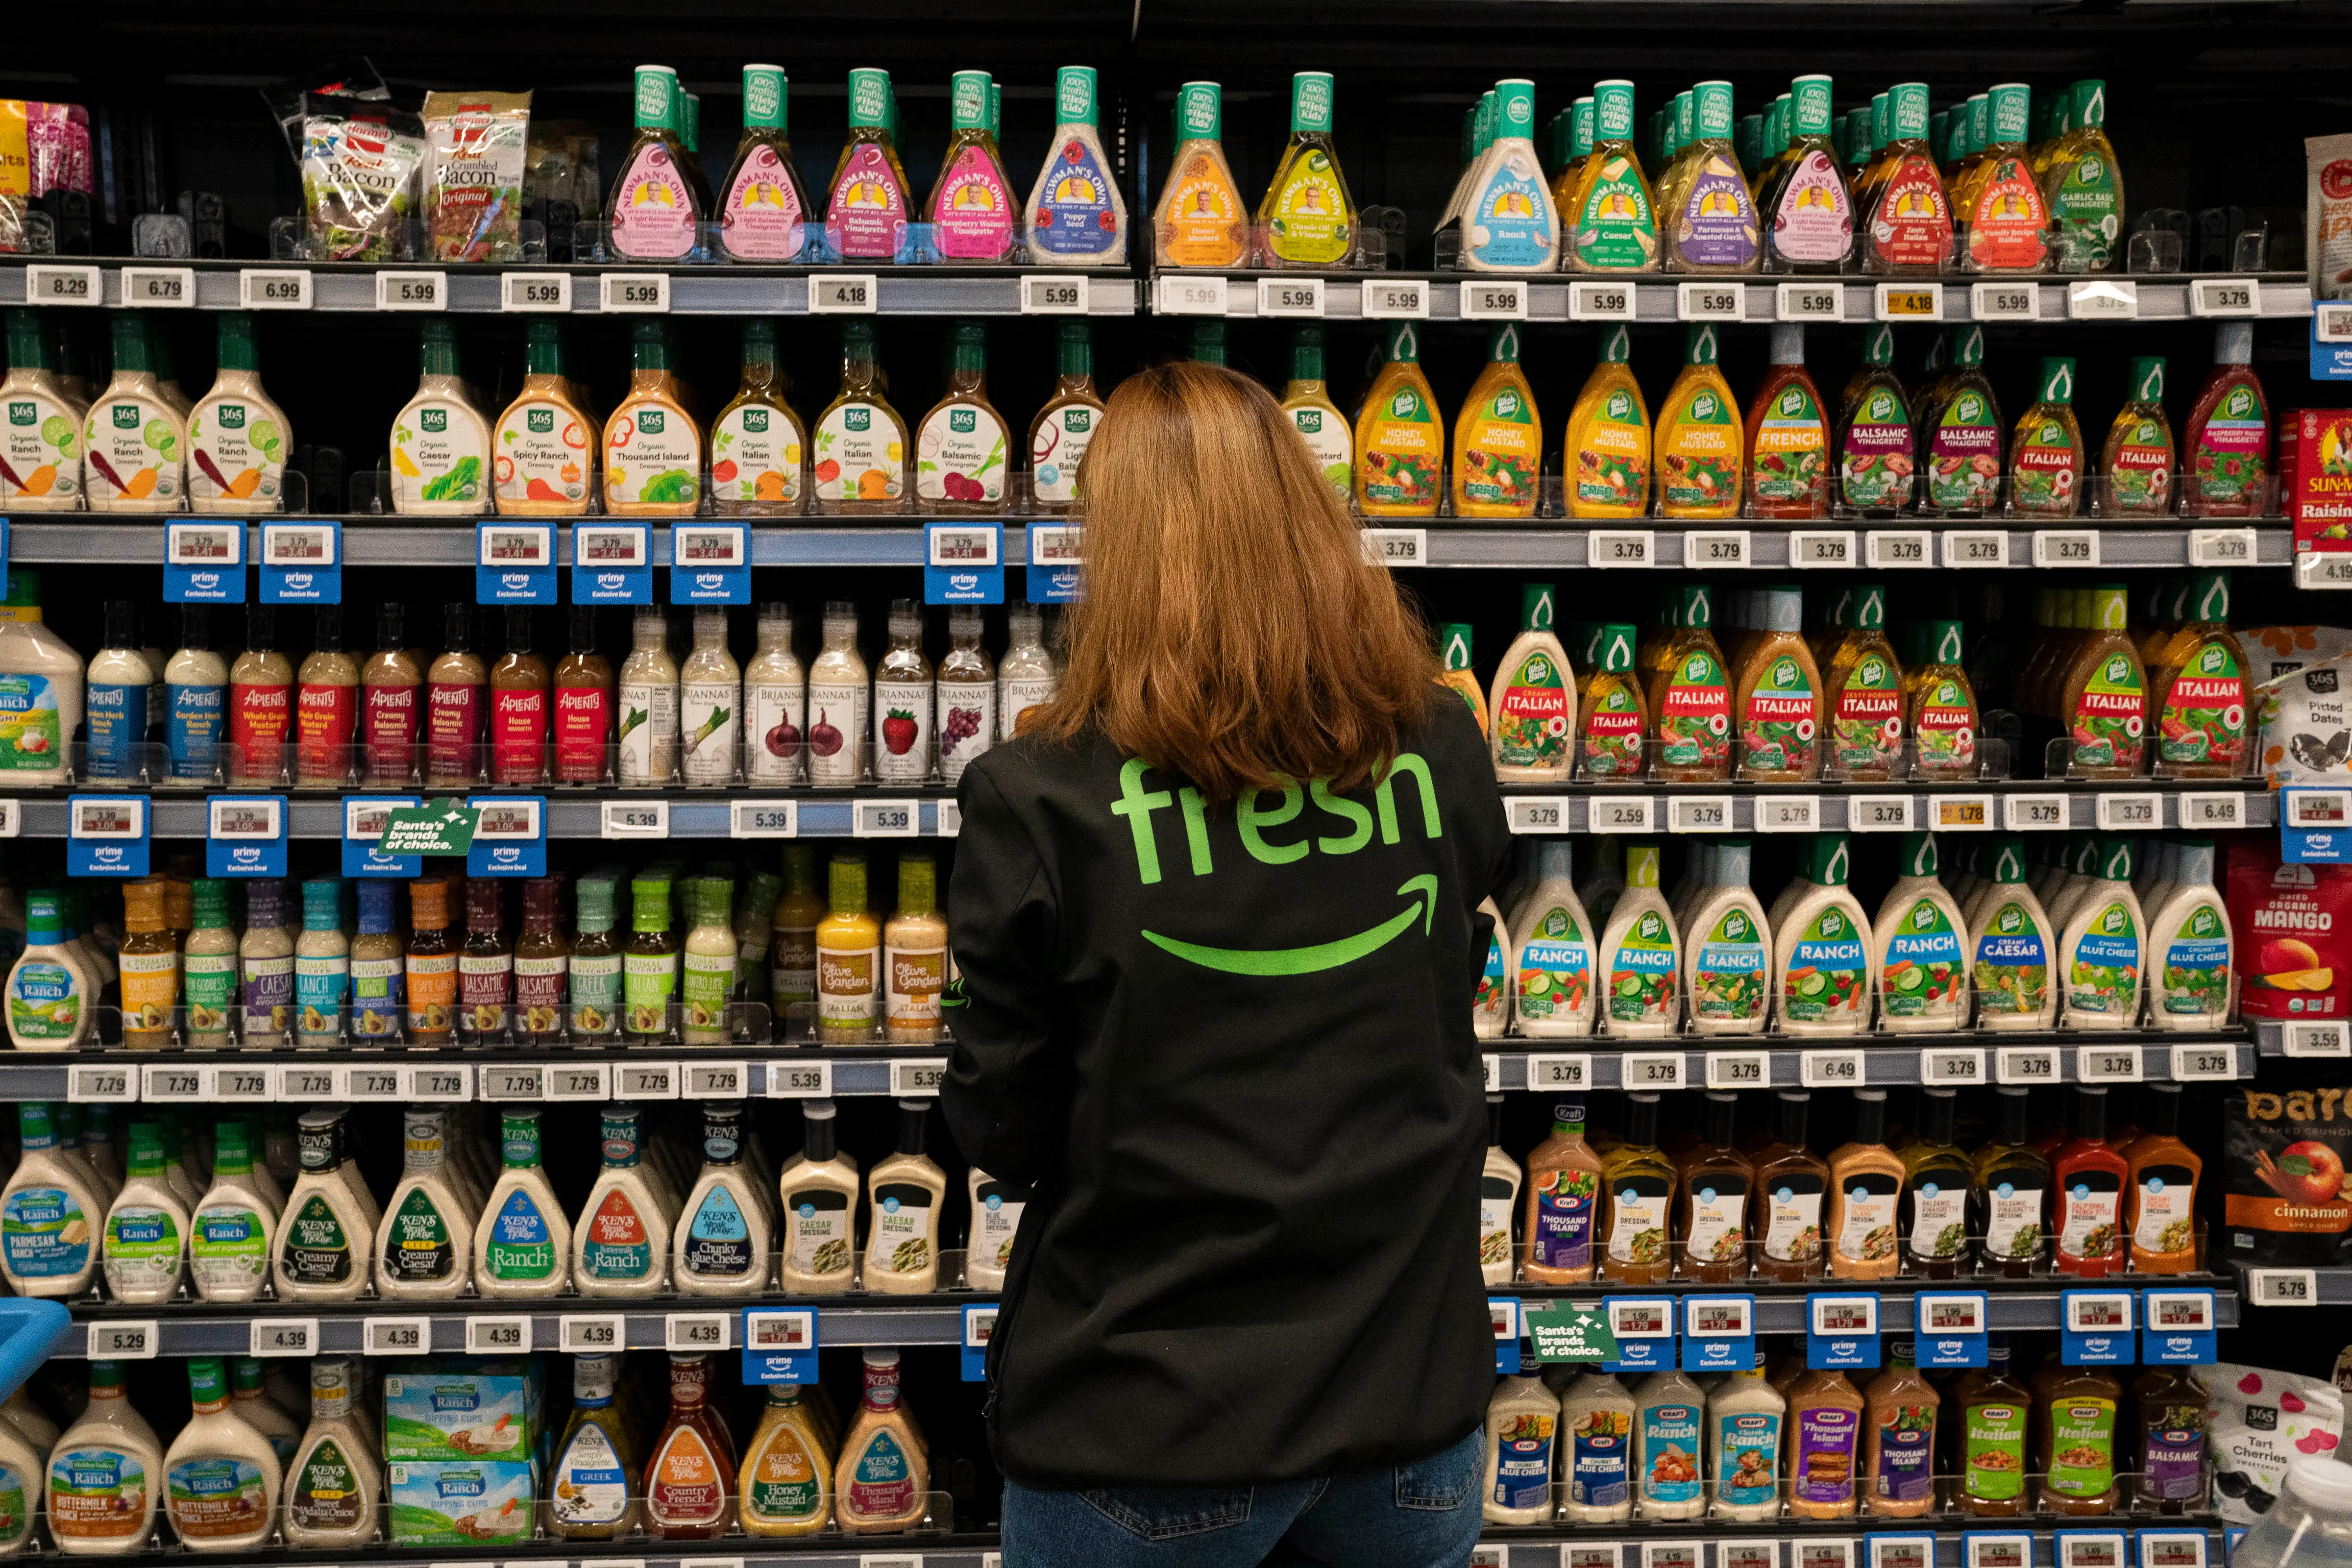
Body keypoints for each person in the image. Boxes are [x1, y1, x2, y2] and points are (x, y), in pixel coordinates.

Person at [942, 357, 1511, 1568]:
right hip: (1405, 1414)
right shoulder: (1442, 748)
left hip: (1149, 1421)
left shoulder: (1040, 798)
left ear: (1121, 556)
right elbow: (1433, 1012)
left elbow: (1007, 1129)